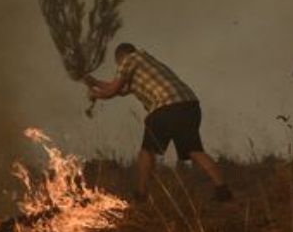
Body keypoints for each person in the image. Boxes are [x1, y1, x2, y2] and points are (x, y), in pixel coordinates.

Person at [87, 43, 232, 202]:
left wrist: (96, 95)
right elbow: (119, 90)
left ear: (120, 58)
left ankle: (141, 195)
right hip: (189, 105)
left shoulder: (130, 59)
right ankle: (223, 191)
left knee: (147, 151)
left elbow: (112, 90)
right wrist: (93, 82)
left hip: (166, 106)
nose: (119, 68)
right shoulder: (145, 63)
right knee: (194, 150)